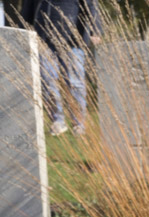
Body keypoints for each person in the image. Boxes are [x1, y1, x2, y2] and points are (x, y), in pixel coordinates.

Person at [19, 0, 102, 135]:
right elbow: (28, 7)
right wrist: (21, 30)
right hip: (44, 40)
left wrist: (95, 30)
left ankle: (79, 123)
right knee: (47, 81)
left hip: (73, 41)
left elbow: (91, 5)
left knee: (75, 84)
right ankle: (58, 121)